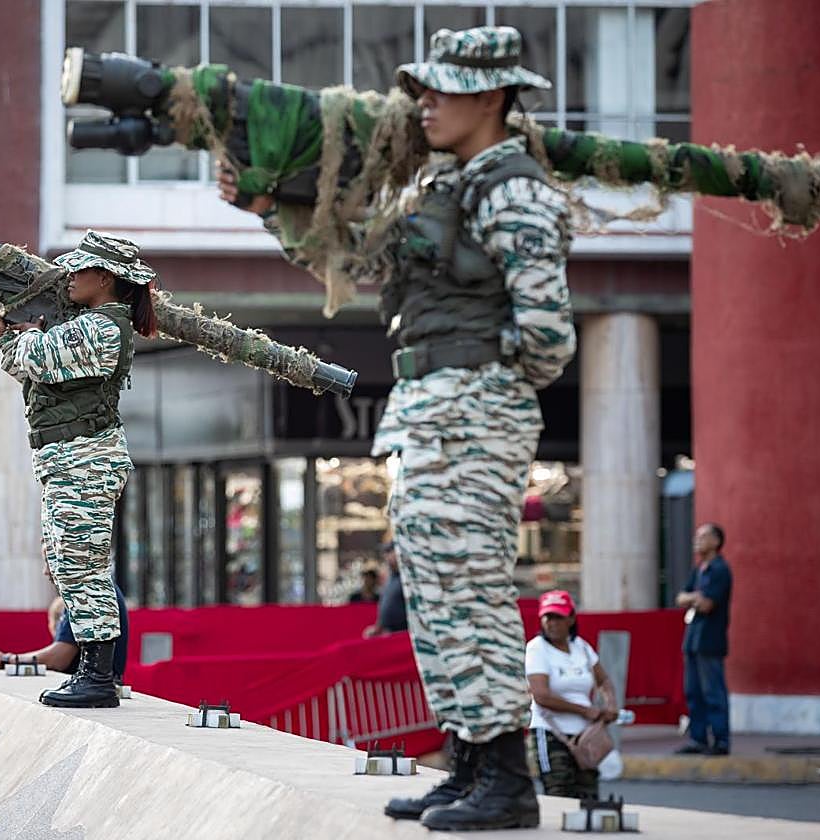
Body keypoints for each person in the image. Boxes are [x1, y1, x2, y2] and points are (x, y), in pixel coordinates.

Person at [218, 26, 575, 832]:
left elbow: (549, 333)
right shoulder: (436, 186)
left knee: (472, 585)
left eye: (441, 91)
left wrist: (480, 373)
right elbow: (357, 264)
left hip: (473, 404)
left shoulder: (513, 190)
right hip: (425, 406)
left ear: (490, 97)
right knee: (432, 588)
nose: (424, 103)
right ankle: (468, 758)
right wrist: (273, 206)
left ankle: (507, 777)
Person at [0, 230, 157, 709]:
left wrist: (16, 334)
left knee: (83, 568)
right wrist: (3, 332)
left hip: (86, 458)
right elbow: (26, 362)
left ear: (105, 278)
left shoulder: (101, 328)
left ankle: (98, 676)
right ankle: (91, 672)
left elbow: (35, 357)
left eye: (81, 270)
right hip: (66, 458)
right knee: (65, 564)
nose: (70, 277)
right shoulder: (86, 324)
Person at [0, 560, 130, 683]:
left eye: (50, 561)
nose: (45, 571)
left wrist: (5, 660)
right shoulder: (95, 589)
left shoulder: (86, 591)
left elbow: (58, 658)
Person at [525, 590, 617, 799]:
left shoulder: (581, 647)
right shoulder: (537, 649)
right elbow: (541, 696)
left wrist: (611, 704)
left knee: (588, 795)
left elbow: (603, 680)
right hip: (551, 732)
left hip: (585, 736)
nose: (552, 623)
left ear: (571, 618)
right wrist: (585, 710)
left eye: (558, 617)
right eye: (547, 617)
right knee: (559, 794)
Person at [675, 522, 732, 755]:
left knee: (713, 692)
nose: (697, 540)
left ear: (716, 542)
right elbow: (680, 598)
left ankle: (720, 740)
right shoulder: (699, 569)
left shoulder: (720, 570)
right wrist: (693, 597)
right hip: (693, 639)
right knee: (693, 691)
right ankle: (698, 738)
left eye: (703, 536)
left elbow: (707, 604)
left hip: (710, 640)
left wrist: (695, 599)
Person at [363, 542, 408, 637]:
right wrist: (378, 627)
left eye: (389, 551)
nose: (386, 556)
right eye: (385, 552)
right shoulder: (390, 578)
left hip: (403, 634)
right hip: (388, 633)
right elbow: (385, 605)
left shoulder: (407, 577)